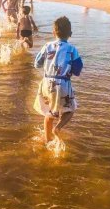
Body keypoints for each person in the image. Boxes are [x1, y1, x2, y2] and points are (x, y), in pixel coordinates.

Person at [34, 16, 83, 148]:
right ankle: (58, 128)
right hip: (63, 83)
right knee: (70, 109)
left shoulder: (47, 46)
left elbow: (36, 64)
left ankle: (47, 140)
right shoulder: (72, 49)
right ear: (70, 34)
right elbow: (78, 70)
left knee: (49, 113)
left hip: (47, 83)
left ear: (53, 32)